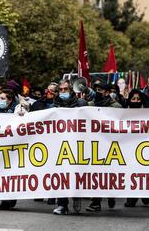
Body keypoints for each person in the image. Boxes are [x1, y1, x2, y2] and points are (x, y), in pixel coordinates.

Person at [52, 79, 87, 215]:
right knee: (61, 174)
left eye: (65, 89)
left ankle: (76, 196)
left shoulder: (81, 104)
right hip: (59, 145)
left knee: (75, 173)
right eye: (60, 90)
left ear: (71, 90)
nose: (63, 92)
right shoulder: (54, 106)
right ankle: (62, 205)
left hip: (77, 144)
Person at [86, 83, 121, 212]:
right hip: (94, 145)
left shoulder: (116, 106)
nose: (97, 92)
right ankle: (96, 202)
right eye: (96, 90)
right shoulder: (90, 106)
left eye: (100, 90)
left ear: (107, 92)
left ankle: (111, 195)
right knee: (96, 174)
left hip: (111, 145)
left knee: (109, 174)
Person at [123, 89, 149, 207]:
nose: (136, 101)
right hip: (129, 147)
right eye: (133, 99)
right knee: (130, 173)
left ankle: (145, 193)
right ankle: (131, 198)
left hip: (144, 148)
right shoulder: (123, 114)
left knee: (143, 172)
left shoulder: (147, 113)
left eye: (138, 99)